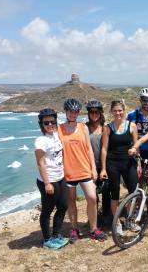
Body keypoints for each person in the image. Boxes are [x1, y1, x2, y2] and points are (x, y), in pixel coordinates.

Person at [58, 99, 106, 242]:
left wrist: (93, 169)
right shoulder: (58, 129)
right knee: (71, 201)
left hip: (84, 169)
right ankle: (74, 229)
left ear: (79, 112)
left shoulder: (83, 127)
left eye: (76, 111)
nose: (73, 114)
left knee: (92, 198)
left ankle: (93, 228)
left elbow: (89, 149)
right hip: (68, 172)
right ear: (65, 112)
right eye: (70, 111)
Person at [100, 100, 139, 236]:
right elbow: (104, 149)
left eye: (120, 110)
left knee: (133, 192)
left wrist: (138, 163)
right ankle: (116, 223)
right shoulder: (107, 128)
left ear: (124, 111)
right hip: (112, 164)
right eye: (115, 110)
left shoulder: (132, 126)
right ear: (111, 112)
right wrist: (103, 169)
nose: (118, 113)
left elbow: (136, 146)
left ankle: (129, 219)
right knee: (114, 194)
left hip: (129, 163)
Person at [34, 108, 69, 249]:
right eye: (46, 123)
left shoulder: (55, 136)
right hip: (48, 181)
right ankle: (47, 240)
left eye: (52, 122)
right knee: (47, 211)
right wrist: (47, 184)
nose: (50, 125)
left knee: (63, 206)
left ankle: (56, 234)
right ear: (41, 124)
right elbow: (40, 163)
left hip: (60, 178)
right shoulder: (41, 141)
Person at [85, 99, 111, 226]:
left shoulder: (105, 128)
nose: (94, 114)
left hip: (104, 165)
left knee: (106, 192)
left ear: (100, 113)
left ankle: (106, 215)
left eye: (97, 112)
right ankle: (93, 218)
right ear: (88, 113)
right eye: (91, 112)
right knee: (92, 195)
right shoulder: (84, 128)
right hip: (89, 166)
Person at [127, 88, 148, 161]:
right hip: (136, 151)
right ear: (140, 100)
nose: (147, 103)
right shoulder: (132, 115)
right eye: (145, 100)